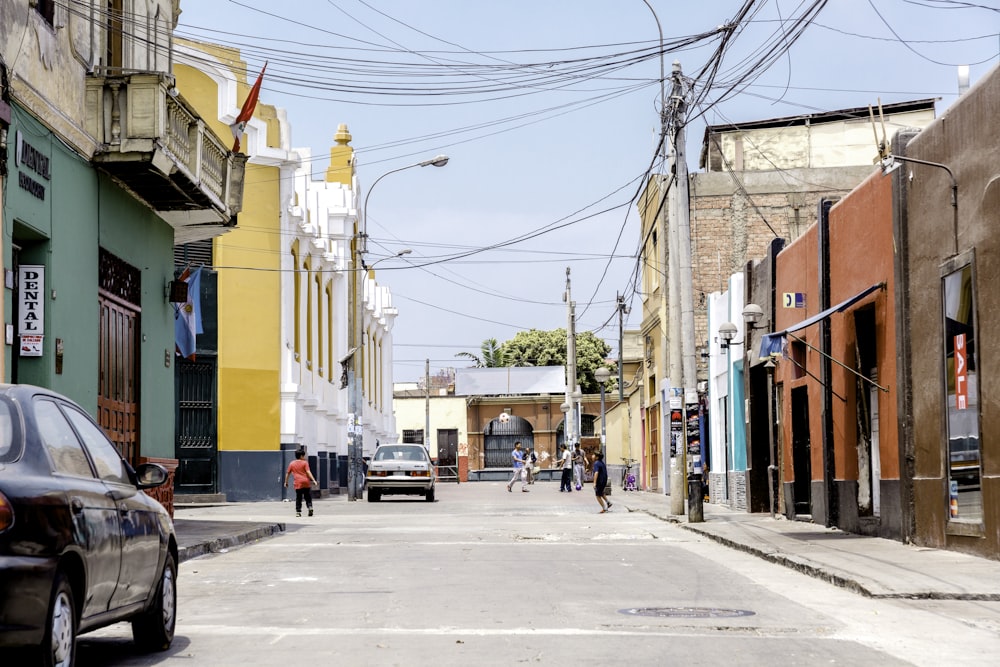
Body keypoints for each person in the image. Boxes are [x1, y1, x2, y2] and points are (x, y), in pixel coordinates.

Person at [284, 448, 318, 517]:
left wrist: (286, 482)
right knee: (308, 497)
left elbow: (288, 473)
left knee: (298, 498)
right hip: (306, 482)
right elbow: (308, 472)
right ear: (301, 456)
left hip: (298, 483)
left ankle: (298, 512)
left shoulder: (292, 463)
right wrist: (313, 480)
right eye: (304, 455)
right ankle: (310, 507)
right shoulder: (305, 463)